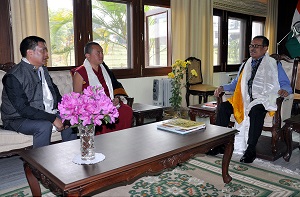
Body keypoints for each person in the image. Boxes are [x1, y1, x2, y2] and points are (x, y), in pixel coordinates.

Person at [212, 35, 292, 163]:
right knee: (223, 107)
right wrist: (222, 87)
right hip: (244, 99)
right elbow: (235, 84)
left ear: (265, 48)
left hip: (263, 99)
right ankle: (220, 144)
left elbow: (285, 83)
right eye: (251, 46)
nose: (252, 49)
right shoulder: (245, 64)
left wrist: (285, 90)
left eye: (256, 46)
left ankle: (250, 149)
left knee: (256, 110)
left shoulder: (274, 64)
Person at [1, 36, 77, 149]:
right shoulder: (13, 76)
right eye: (43, 50)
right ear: (30, 53)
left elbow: (55, 93)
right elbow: (23, 109)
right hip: (17, 118)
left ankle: (72, 154)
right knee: (44, 126)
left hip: (45, 112)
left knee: (71, 117)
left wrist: (68, 109)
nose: (47, 55)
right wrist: (52, 118)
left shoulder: (42, 69)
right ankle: (38, 165)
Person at [72, 41, 133, 134]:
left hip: (110, 104)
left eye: (102, 52)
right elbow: (77, 97)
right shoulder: (80, 73)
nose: (101, 55)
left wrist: (116, 98)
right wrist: (95, 106)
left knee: (126, 110)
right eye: (98, 53)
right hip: (92, 108)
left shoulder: (104, 69)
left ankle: (122, 139)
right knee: (102, 117)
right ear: (88, 55)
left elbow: (114, 86)